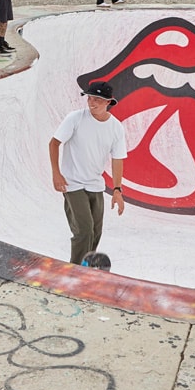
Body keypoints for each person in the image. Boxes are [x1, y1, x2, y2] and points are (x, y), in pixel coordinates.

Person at [49, 81, 127, 265]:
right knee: (84, 231)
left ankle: (86, 267)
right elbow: (54, 143)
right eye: (90, 98)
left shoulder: (116, 128)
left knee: (95, 232)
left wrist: (117, 190)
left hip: (95, 184)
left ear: (109, 102)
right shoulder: (75, 118)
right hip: (72, 183)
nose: (92, 103)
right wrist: (56, 173)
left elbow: (118, 159)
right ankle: (75, 270)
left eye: (98, 100)